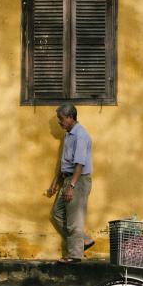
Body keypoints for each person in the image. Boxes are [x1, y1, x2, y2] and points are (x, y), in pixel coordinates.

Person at [46, 104, 94, 264]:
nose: (59, 122)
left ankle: (74, 255)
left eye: (61, 119)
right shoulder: (69, 134)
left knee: (74, 220)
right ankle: (84, 241)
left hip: (78, 180)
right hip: (68, 178)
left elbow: (79, 164)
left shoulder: (80, 135)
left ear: (70, 117)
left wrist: (72, 186)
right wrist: (55, 182)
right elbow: (64, 161)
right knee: (57, 214)